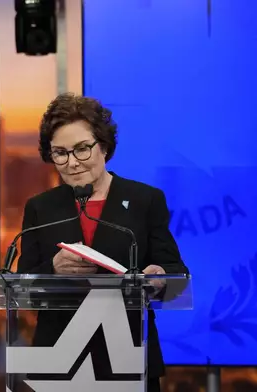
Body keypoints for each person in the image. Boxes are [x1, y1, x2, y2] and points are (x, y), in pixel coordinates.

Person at [16, 93, 189, 392]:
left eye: (82, 149)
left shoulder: (144, 201)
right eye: (60, 153)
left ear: (104, 147)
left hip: (128, 356)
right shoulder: (40, 208)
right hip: (58, 359)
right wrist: (53, 269)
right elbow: (20, 286)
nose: (72, 163)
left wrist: (159, 275)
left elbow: (176, 272)